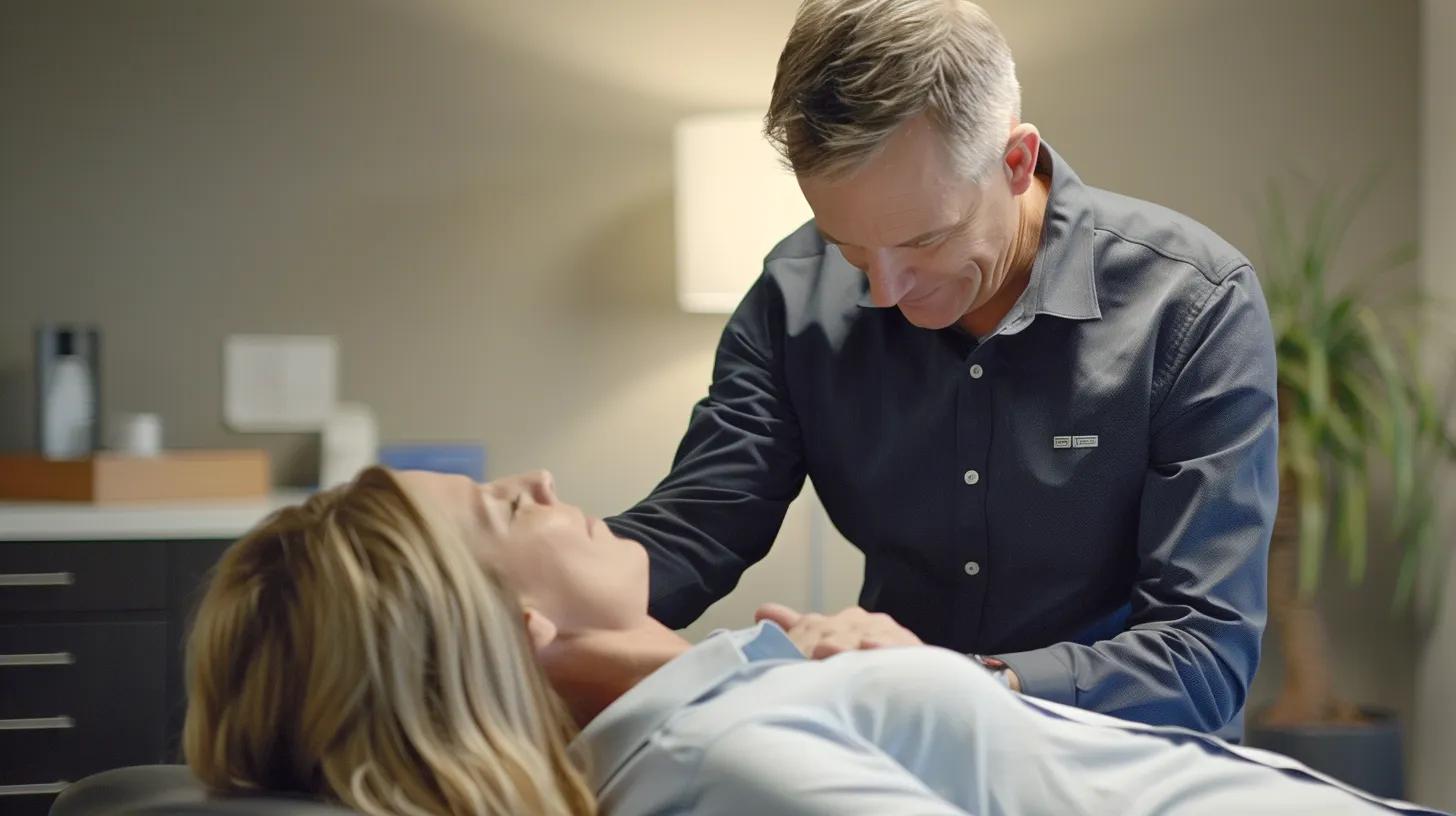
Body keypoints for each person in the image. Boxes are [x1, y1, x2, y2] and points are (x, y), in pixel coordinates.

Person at [606, 0, 1279, 738]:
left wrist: (959, 686)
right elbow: (696, 528)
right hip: (894, 763)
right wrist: (503, 593)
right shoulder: (794, 295)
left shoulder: (1193, 305)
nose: (886, 291)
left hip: (1120, 767)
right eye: (850, 247)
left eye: (924, 240)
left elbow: (1202, 658)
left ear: (1016, 163)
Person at [182, 467, 1438, 816]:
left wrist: (918, 678)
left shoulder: (737, 692)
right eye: (508, 508)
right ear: (522, 626)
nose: (545, 477)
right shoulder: (723, 766)